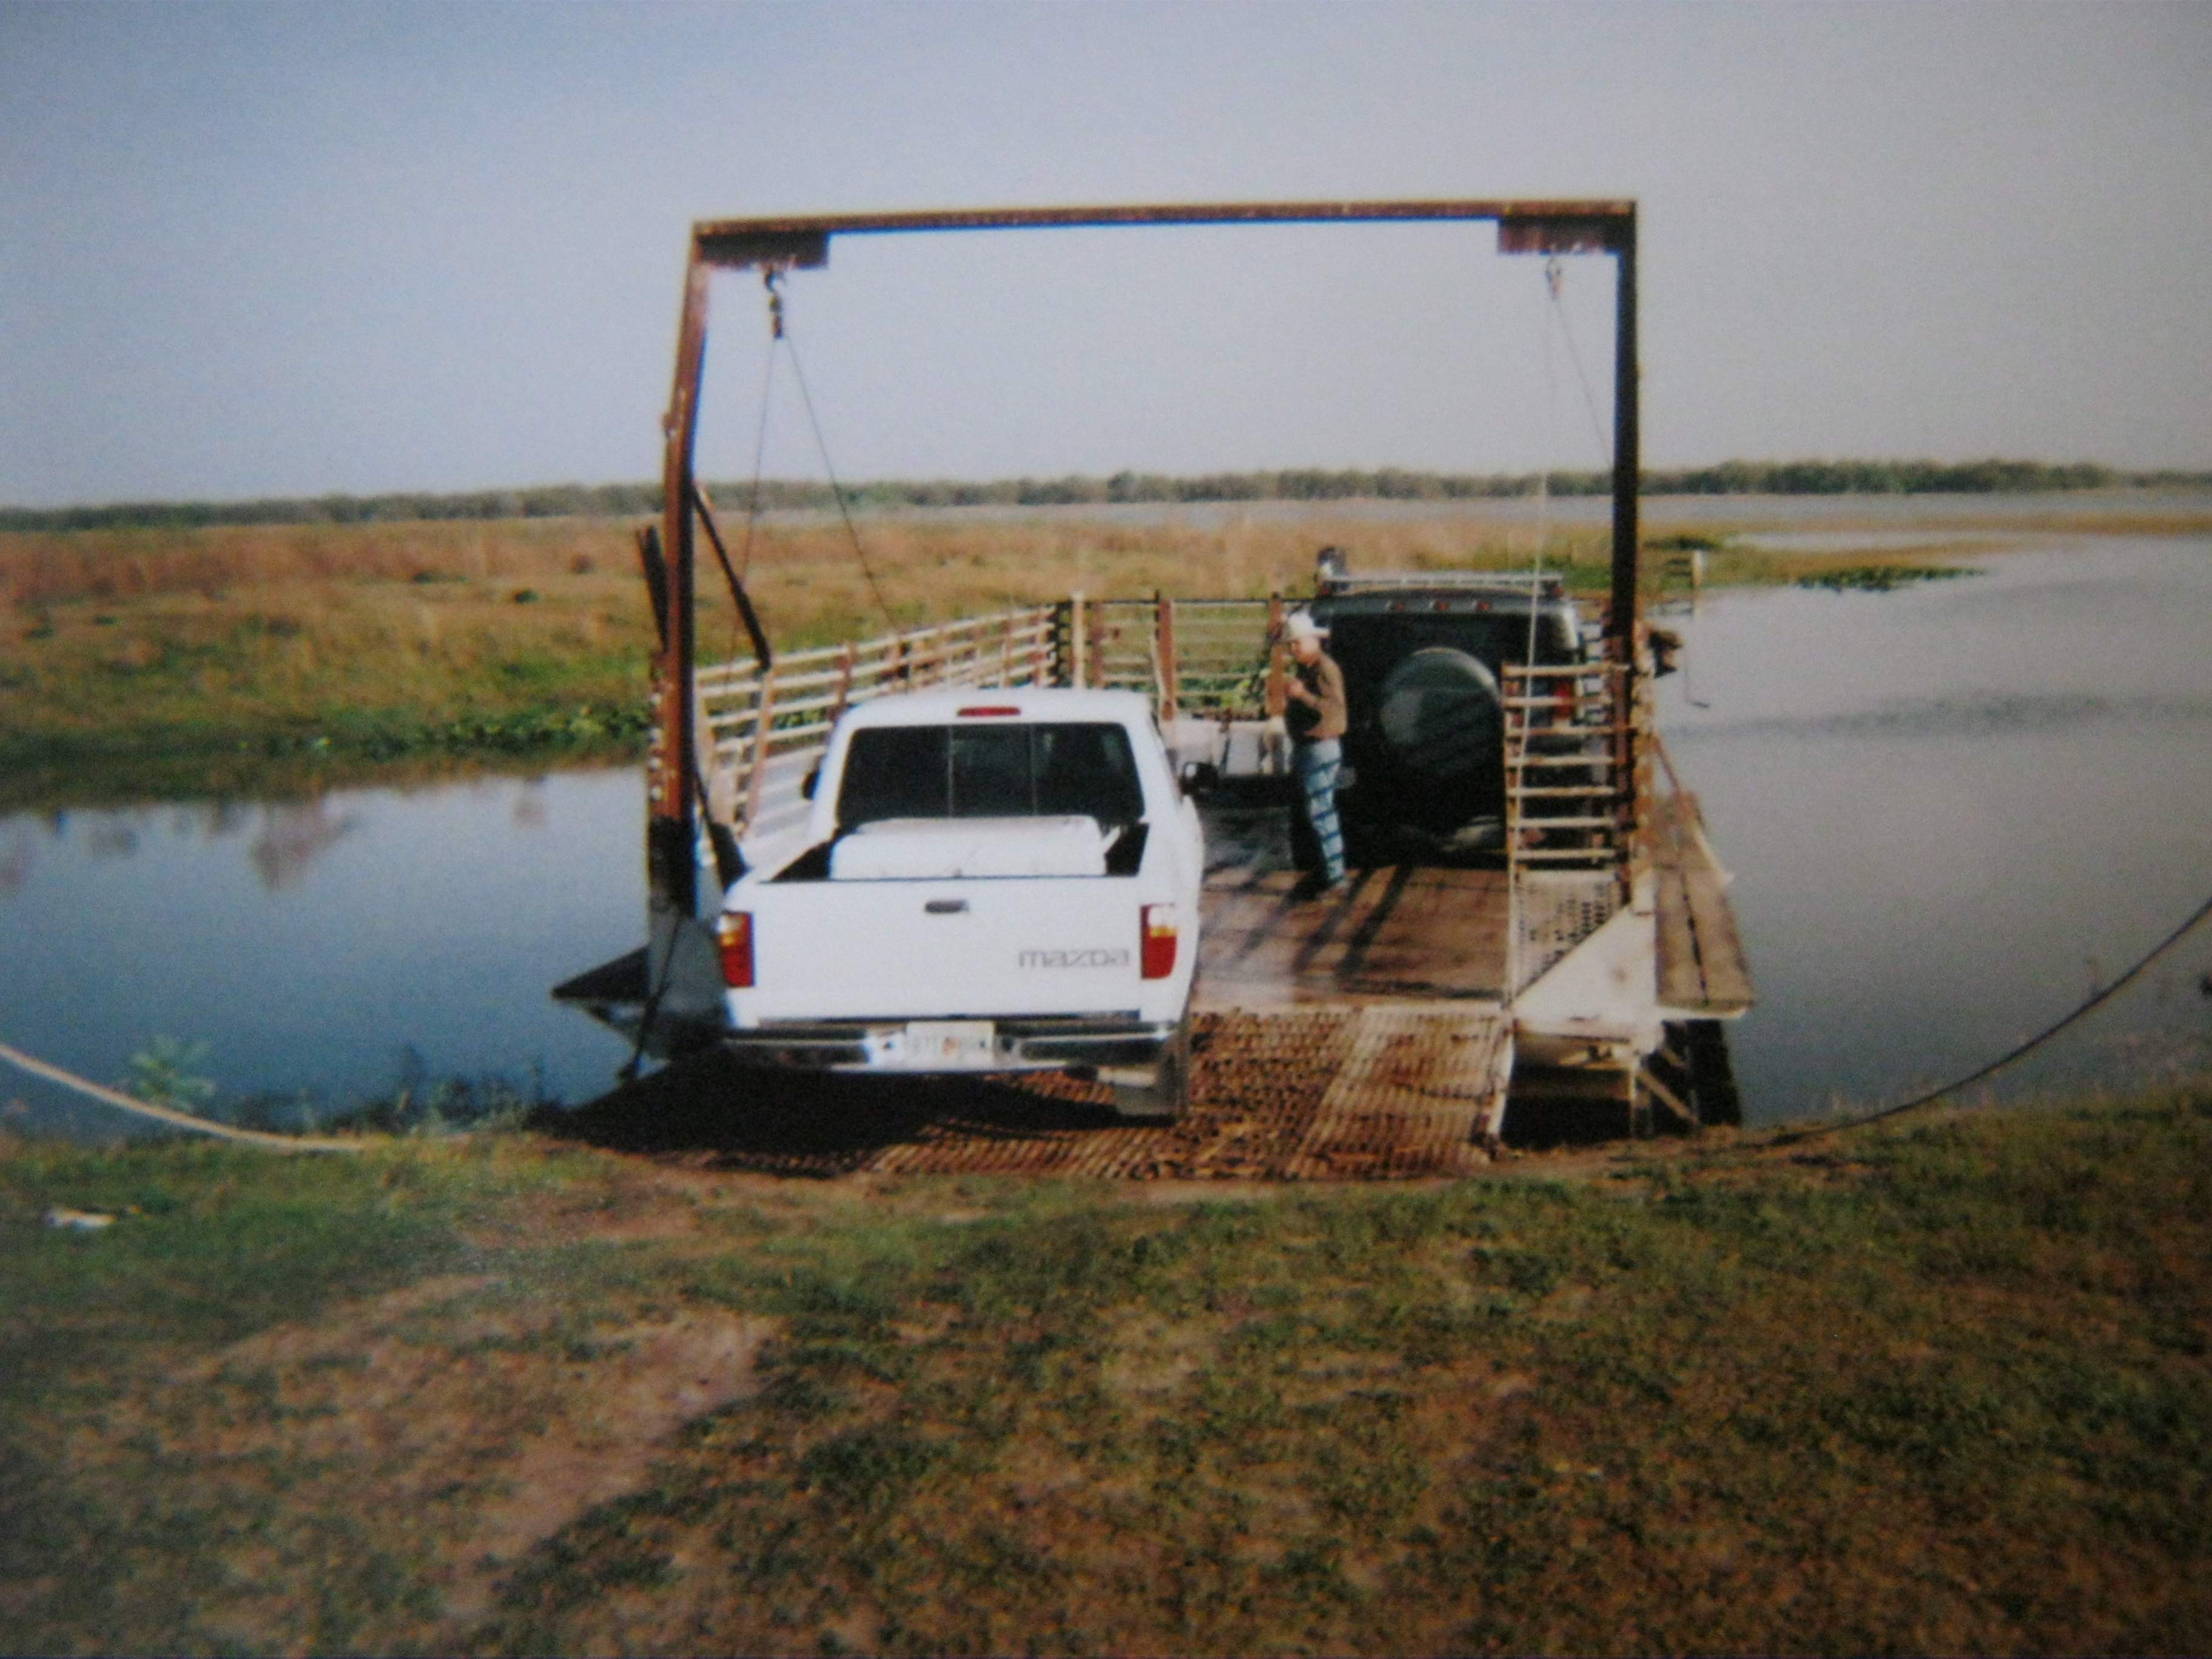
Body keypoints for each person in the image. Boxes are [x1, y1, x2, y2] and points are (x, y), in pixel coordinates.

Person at [1281, 608, 1348, 897]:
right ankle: (1327, 872)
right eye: (1291, 644)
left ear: (1313, 640)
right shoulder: (1310, 668)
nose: (1293, 649)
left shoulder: (1324, 669)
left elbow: (1334, 710)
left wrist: (1302, 696)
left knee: (1322, 812)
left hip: (1319, 748)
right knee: (1318, 811)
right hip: (1310, 748)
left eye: (1297, 642)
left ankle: (1334, 877)